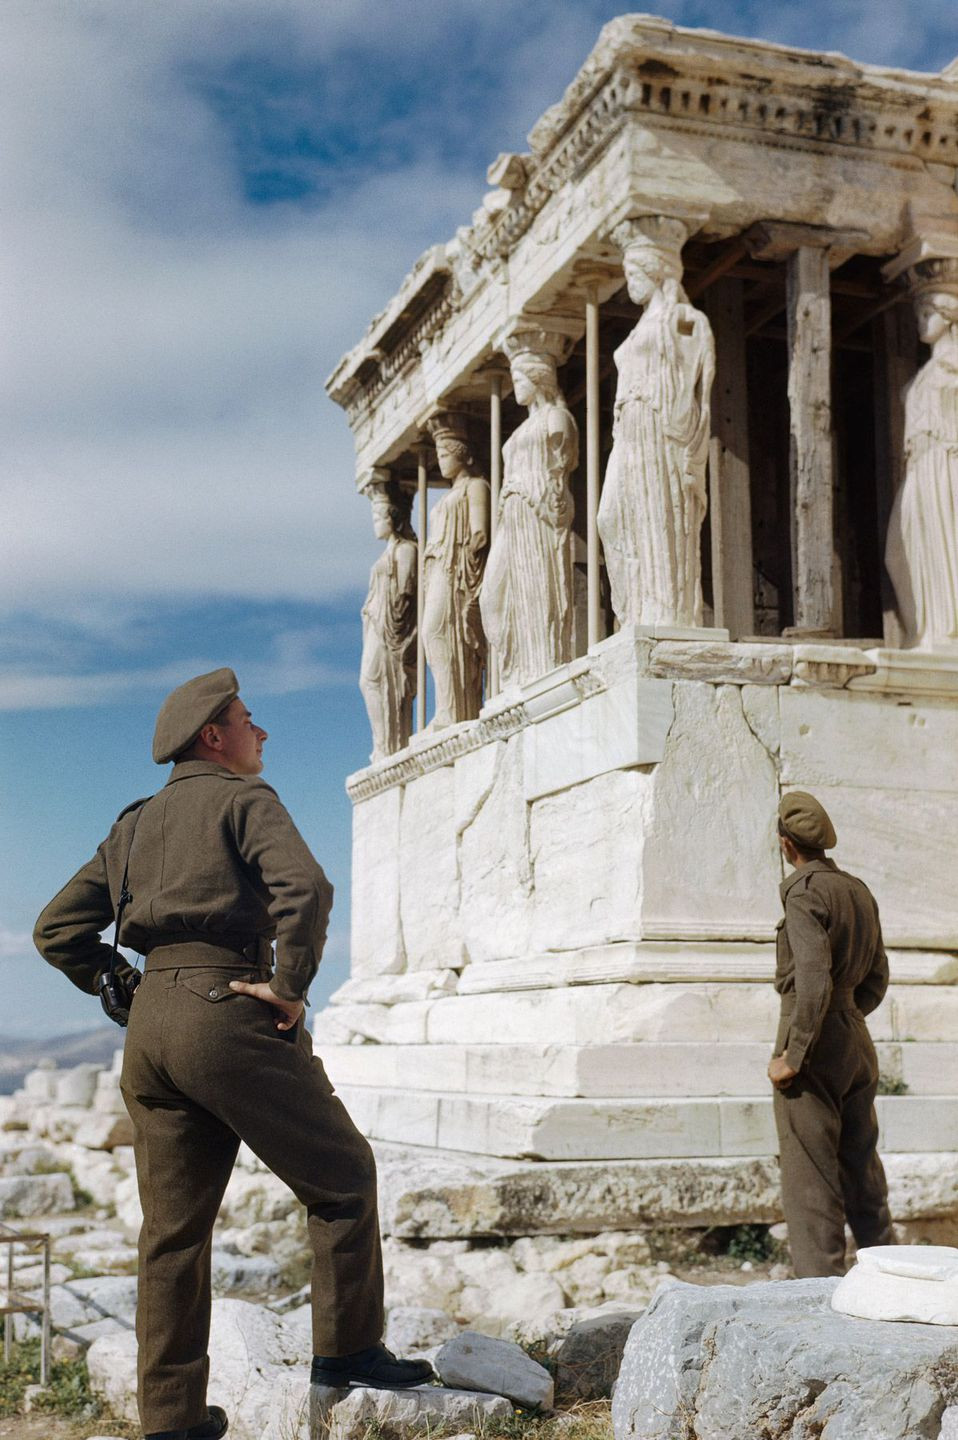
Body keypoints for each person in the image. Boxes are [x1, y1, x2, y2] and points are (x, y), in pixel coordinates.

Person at [34, 669, 432, 1440]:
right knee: (344, 1178)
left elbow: (56, 929)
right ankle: (347, 1350)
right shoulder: (244, 800)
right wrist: (289, 985)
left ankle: (171, 1421)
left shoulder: (133, 825)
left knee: (171, 1233)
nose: (263, 732)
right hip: (228, 1009)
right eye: (250, 720)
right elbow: (306, 889)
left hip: (150, 1028)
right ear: (213, 736)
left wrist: (117, 981)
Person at [768, 791, 895, 1278]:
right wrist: (848, 1017)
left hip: (813, 1041)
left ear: (786, 844)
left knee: (810, 1179)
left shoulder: (804, 892)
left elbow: (813, 979)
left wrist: (794, 1055)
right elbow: (877, 976)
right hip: (854, 1035)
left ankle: (818, 1290)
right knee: (861, 1165)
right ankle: (889, 1273)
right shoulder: (857, 890)